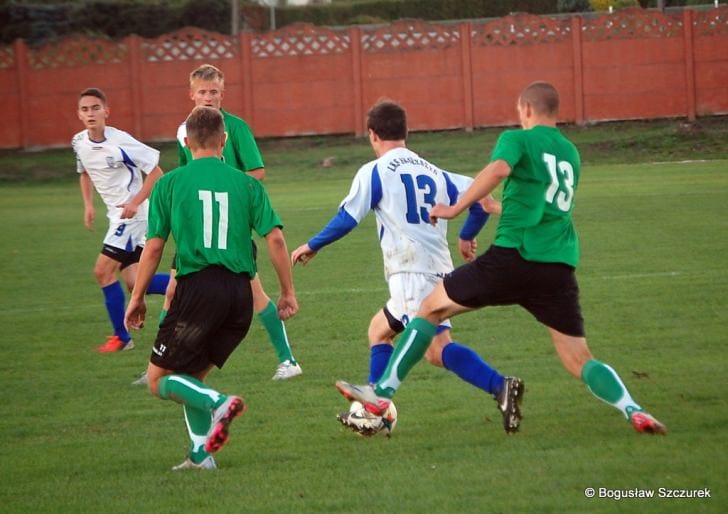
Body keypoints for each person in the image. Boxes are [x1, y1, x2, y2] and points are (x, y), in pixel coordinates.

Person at [336, 82, 668, 435]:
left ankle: (381, 393)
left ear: (526, 108)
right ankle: (632, 408)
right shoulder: (571, 153)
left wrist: (454, 208)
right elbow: (539, 203)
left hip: (511, 259)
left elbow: (497, 170)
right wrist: (495, 206)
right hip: (557, 268)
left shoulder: (517, 140)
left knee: (430, 309)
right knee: (580, 359)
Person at [292, 100, 524, 435]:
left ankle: (499, 386)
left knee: (436, 350)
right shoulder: (435, 172)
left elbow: (347, 218)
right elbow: (481, 202)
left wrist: (312, 244)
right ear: (406, 132)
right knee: (379, 331)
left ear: (372, 135)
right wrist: (466, 236)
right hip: (439, 272)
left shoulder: (376, 171)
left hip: (410, 274)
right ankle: (375, 410)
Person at [124, 106, 298, 470]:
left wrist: (137, 297)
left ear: (186, 142)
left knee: (159, 380)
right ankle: (201, 457)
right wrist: (287, 292)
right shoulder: (248, 184)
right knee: (190, 378)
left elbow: (153, 247)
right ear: (224, 140)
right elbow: (277, 240)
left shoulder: (170, 183)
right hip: (240, 295)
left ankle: (220, 403)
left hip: (199, 290)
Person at [147, 63, 301, 383]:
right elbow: (184, 175)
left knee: (255, 294)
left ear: (222, 93)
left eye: (214, 92)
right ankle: (159, 359)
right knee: (172, 292)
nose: (208, 97)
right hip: (196, 230)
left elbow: (257, 172)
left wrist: (223, 188)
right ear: (191, 95)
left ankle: (288, 359)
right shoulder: (185, 131)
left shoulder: (236, 128)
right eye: (202, 92)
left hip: (228, 225)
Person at [73, 87, 169, 352]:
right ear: (79, 114)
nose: (90, 113)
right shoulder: (79, 142)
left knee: (102, 271)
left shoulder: (120, 141)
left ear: (106, 111)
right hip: (118, 217)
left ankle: (122, 338)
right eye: (85, 109)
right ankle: (194, 286)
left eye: (95, 108)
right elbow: (85, 172)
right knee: (138, 282)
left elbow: (157, 172)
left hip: (133, 217)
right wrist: (88, 205)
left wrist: (135, 202)